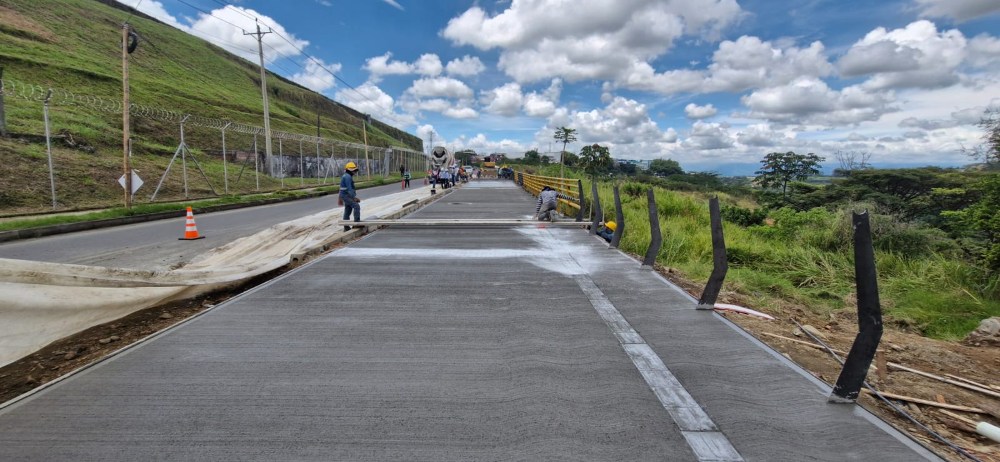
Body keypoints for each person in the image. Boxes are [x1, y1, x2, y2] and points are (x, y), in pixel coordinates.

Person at [340, 161, 361, 231]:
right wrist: (354, 198)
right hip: (346, 195)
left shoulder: (346, 176)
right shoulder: (347, 177)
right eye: (354, 170)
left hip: (345, 195)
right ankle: (357, 223)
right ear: (350, 170)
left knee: (348, 209)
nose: (355, 172)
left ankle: (346, 227)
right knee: (356, 206)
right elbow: (349, 189)